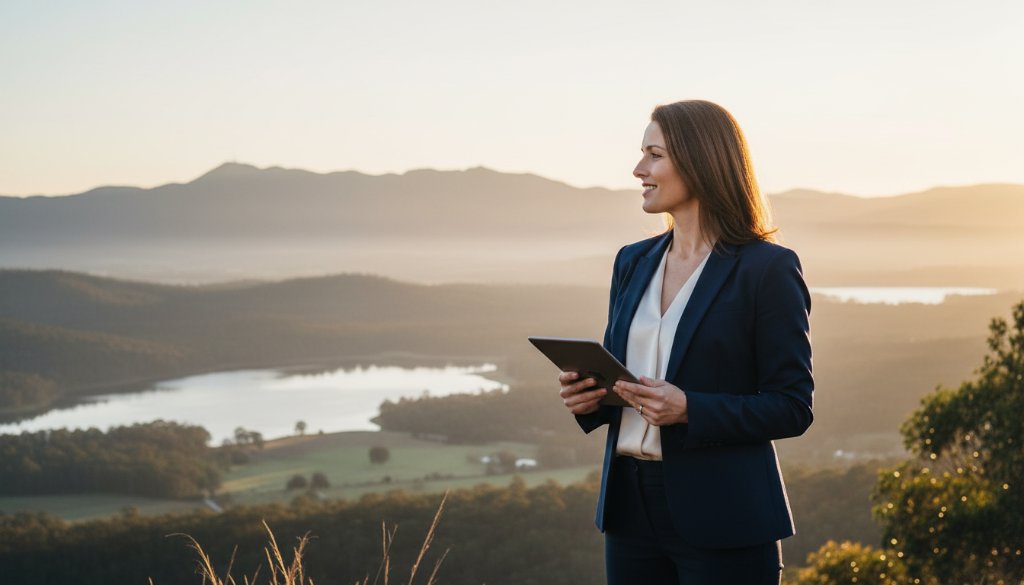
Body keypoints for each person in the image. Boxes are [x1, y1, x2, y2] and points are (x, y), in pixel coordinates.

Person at [558, 99, 813, 585]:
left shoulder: (767, 269)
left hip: (726, 518)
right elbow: (628, 385)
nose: (638, 169)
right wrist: (590, 400)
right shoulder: (631, 260)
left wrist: (690, 408)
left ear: (699, 161)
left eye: (654, 155)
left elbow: (792, 406)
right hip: (628, 513)